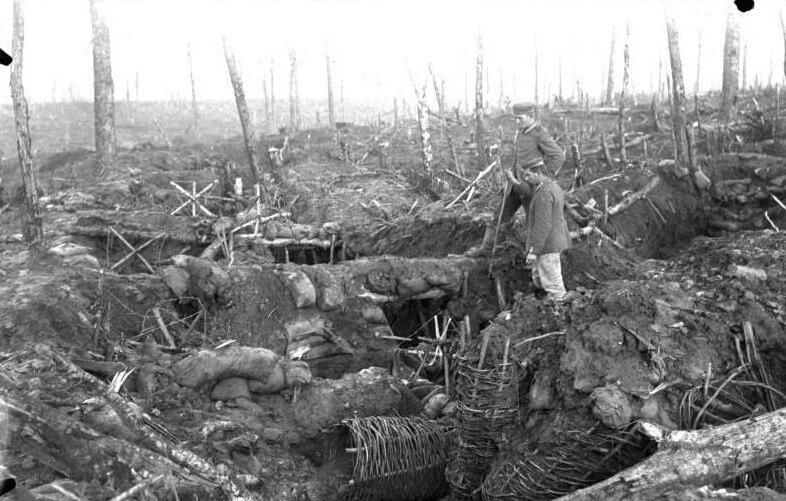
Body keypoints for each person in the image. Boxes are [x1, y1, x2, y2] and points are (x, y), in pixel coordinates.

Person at [466, 103, 570, 301]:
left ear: (531, 116)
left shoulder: (539, 133)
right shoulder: (521, 133)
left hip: (531, 187)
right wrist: (513, 178)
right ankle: (486, 249)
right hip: (516, 184)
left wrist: (542, 177)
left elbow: (559, 156)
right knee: (499, 215)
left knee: (538, 224)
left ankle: (539, 263)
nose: (517, 122)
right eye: (515, 118)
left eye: (520, 118)